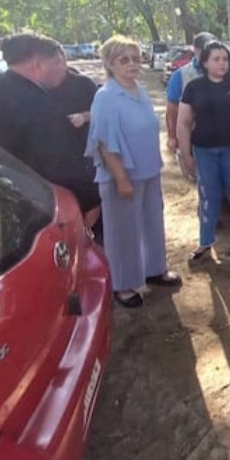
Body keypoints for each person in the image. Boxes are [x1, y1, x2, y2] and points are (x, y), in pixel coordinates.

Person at [86, 35, 181, 308]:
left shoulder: (138, 90)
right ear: (110, 64)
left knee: (152, 222)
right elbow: (104, 143)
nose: (132, 64)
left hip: (148, 170)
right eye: (124, 59)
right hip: (122, 176)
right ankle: (123, 284)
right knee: (123, 232)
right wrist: (121, 178)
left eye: (135, 58)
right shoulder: (106, 97)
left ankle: (155, 269)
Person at [0, 33, 98, 216]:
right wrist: (90, 201)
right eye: (52, 62)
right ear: (38, 64)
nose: (60, 69)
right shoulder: (40, 104)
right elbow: (61, 165)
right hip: (36, 206)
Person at [177, 41, 230, 264]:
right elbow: (183, 122)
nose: (222, 63)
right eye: (216, 59)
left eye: (225, 59)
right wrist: (185, 153)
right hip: (204, 151)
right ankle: (205, 241)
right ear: (205, 62)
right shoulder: (194, 88)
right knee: (208, 197)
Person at [49, 63, 102, 235]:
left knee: (94, 220)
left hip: (85, 159)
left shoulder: (84, 85)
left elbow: (103, 114)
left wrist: (84, 117)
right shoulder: (35, 88)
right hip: (51, 164)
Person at [165, 32, 216, 154]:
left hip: (224, 140)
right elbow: (172, 109)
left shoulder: (228, 71)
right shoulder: (181, 75)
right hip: (192, 139)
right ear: (196, 50)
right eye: (206, 50)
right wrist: (172, 136)